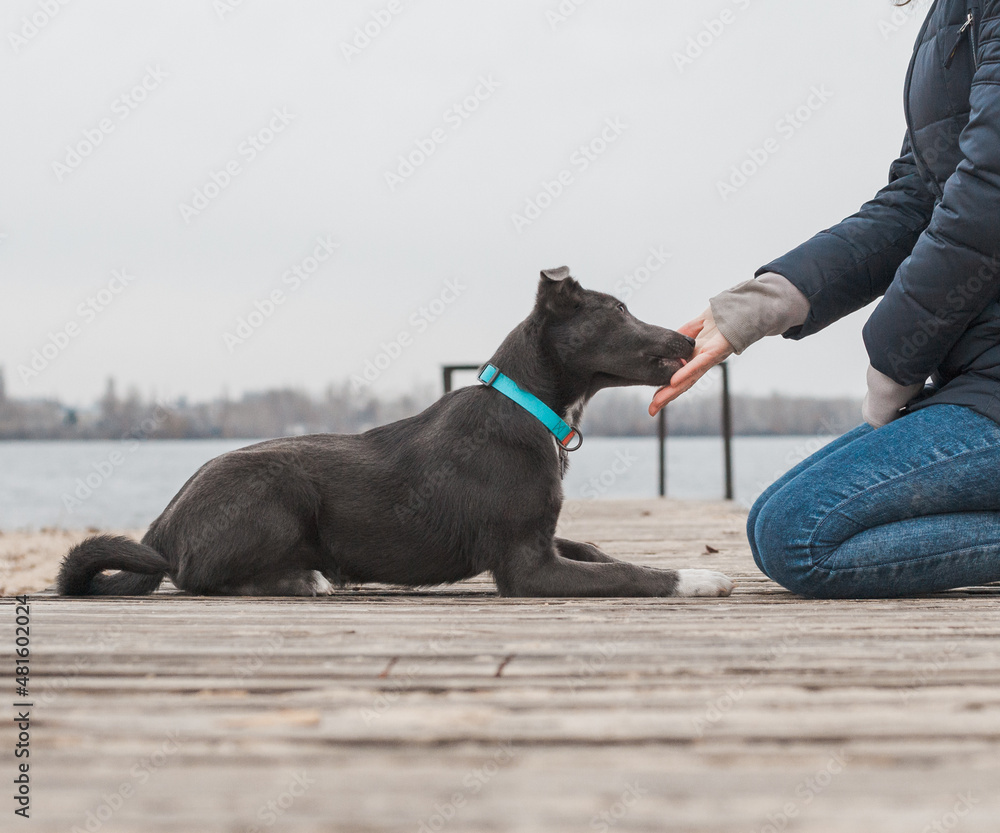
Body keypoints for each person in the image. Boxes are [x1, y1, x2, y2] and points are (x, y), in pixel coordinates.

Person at [649, 0, 1000, 598]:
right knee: (772, 523)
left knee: (801, 535)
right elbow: (919, 197)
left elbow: (989, 194)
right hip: (981, 378)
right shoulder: (954, 11)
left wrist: (895, 359)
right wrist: (760, 304)